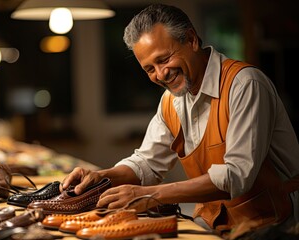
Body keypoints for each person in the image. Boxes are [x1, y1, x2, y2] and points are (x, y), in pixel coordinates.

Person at [61, 3, 299, 235]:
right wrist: (103, 176)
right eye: (149, 69)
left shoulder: (245, 84)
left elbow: (236, 176)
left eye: (164, 59)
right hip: (216, 224)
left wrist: (149, 195)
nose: (161, 74)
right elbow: (147, 163)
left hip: (276, 225)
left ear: (192, 40)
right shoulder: (170, 101)